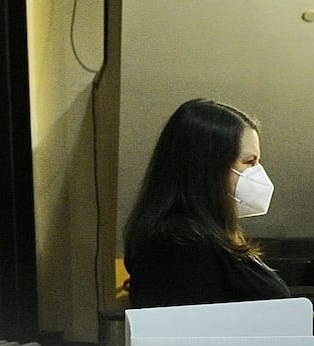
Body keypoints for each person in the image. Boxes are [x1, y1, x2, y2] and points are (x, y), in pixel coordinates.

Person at [122, 99, 292, 308]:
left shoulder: (209, 237)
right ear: (209, 168)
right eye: (249, 162)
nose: (257, 172)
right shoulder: (180, 248)